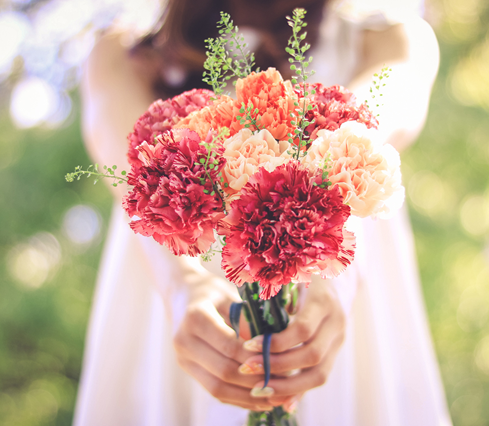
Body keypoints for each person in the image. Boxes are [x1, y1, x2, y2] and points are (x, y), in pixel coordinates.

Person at [74, 0, 451, 424]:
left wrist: (330, 278)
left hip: (338, 320)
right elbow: (136, 176)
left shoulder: (394, 37)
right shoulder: (123, 53)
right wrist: (183, 287)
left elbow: (365, 131)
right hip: (174, 322)